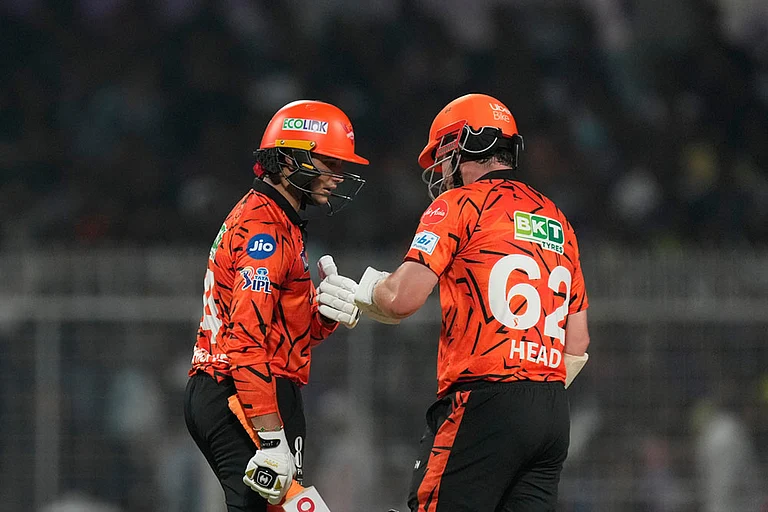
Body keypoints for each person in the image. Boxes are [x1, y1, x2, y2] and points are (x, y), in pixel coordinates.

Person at [344, 93, 592, 511]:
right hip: (551, 409)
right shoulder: (557, 217)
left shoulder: (459, 205)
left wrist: (363, 291)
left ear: (468, 144)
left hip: (485, 398)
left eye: (443, 151)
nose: (440, 168)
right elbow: (578, 343)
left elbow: (403, 299)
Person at [183, 99, 367, 511]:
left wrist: (324, 314)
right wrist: (271, 438)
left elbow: (280, 330)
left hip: (238, 386)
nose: (338, 177)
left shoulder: (278, 220)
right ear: (287, 160)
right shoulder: (265, 230)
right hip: (242, 390)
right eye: (328, 163)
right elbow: (246, 341)